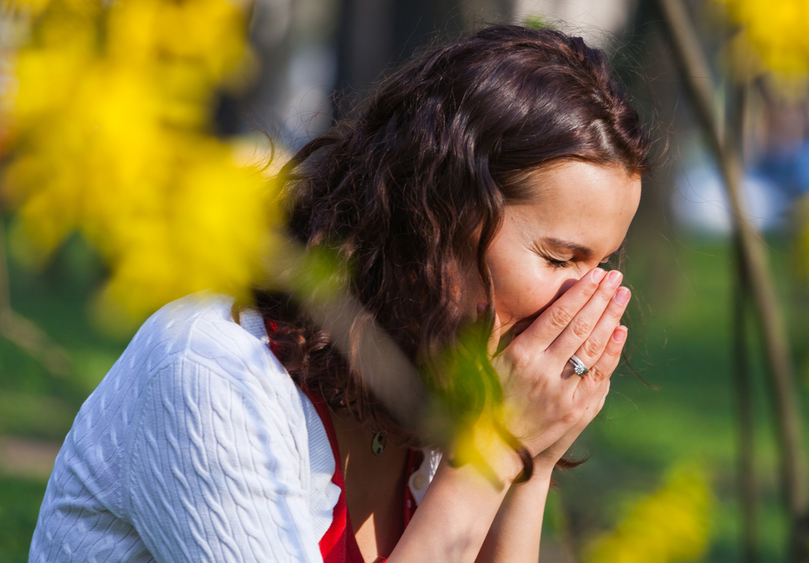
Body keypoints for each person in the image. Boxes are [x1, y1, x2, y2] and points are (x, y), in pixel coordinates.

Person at [29, 24, 652, 563]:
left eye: (602, 264)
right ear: (434, 218)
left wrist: (529, 463)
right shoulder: (211, 373)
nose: (588, 298)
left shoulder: (439, 378)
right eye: (559, 257)